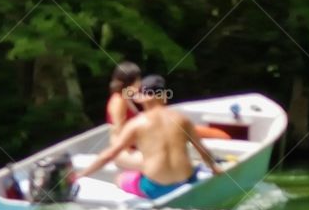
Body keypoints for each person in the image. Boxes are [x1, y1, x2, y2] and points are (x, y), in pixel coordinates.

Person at [75, 75, 223, 199]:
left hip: (157, 188)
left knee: (120, 179)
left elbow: (110, 154)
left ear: (140, 98)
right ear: (164, 96)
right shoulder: (182, 119)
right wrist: (214, 168)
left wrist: (81, 174)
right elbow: (202, 150)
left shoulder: (137, 124)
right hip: (187, 181)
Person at [106, 62, 143, 171]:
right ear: (129, 82)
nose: (140, 83)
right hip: (123, 151)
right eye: (138, 80)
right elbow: (120, 132)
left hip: (136, 146)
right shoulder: (118, 101)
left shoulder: (126, 97)